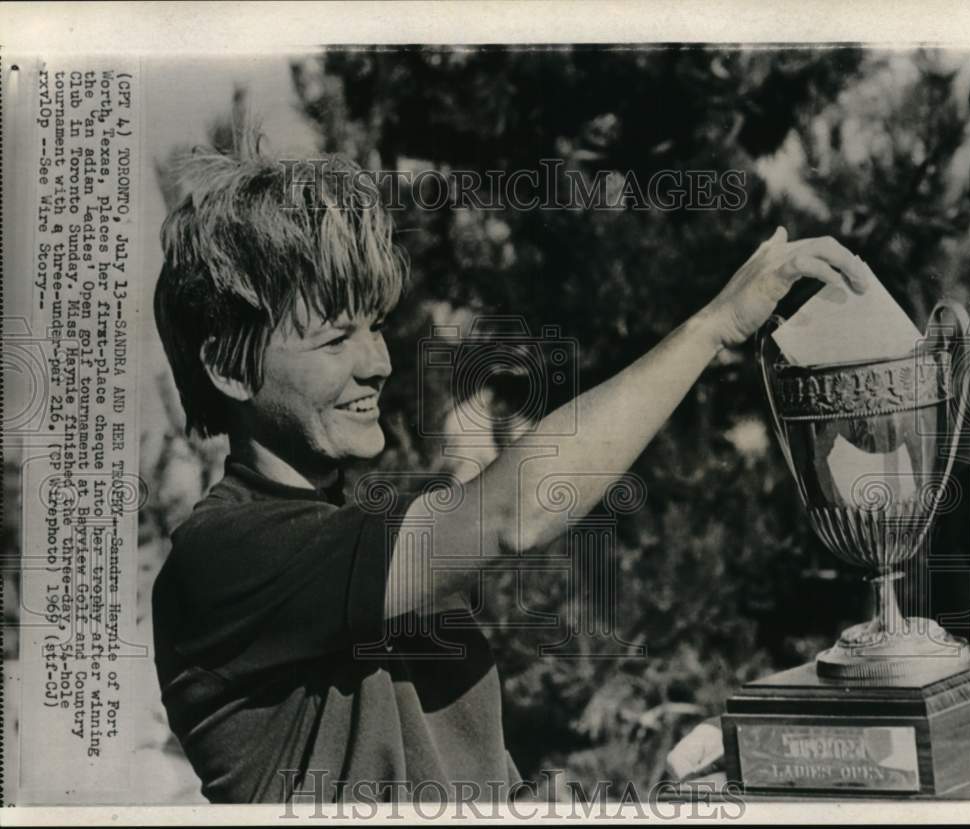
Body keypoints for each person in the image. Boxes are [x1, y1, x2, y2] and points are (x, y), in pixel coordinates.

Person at [151, 138, 872, 805]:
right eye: (337, 336)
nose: (378, 362)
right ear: (227, 367)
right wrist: (713, 327)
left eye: (374, 324)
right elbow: (512, 514)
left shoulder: (378, 543)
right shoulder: (221, 560)